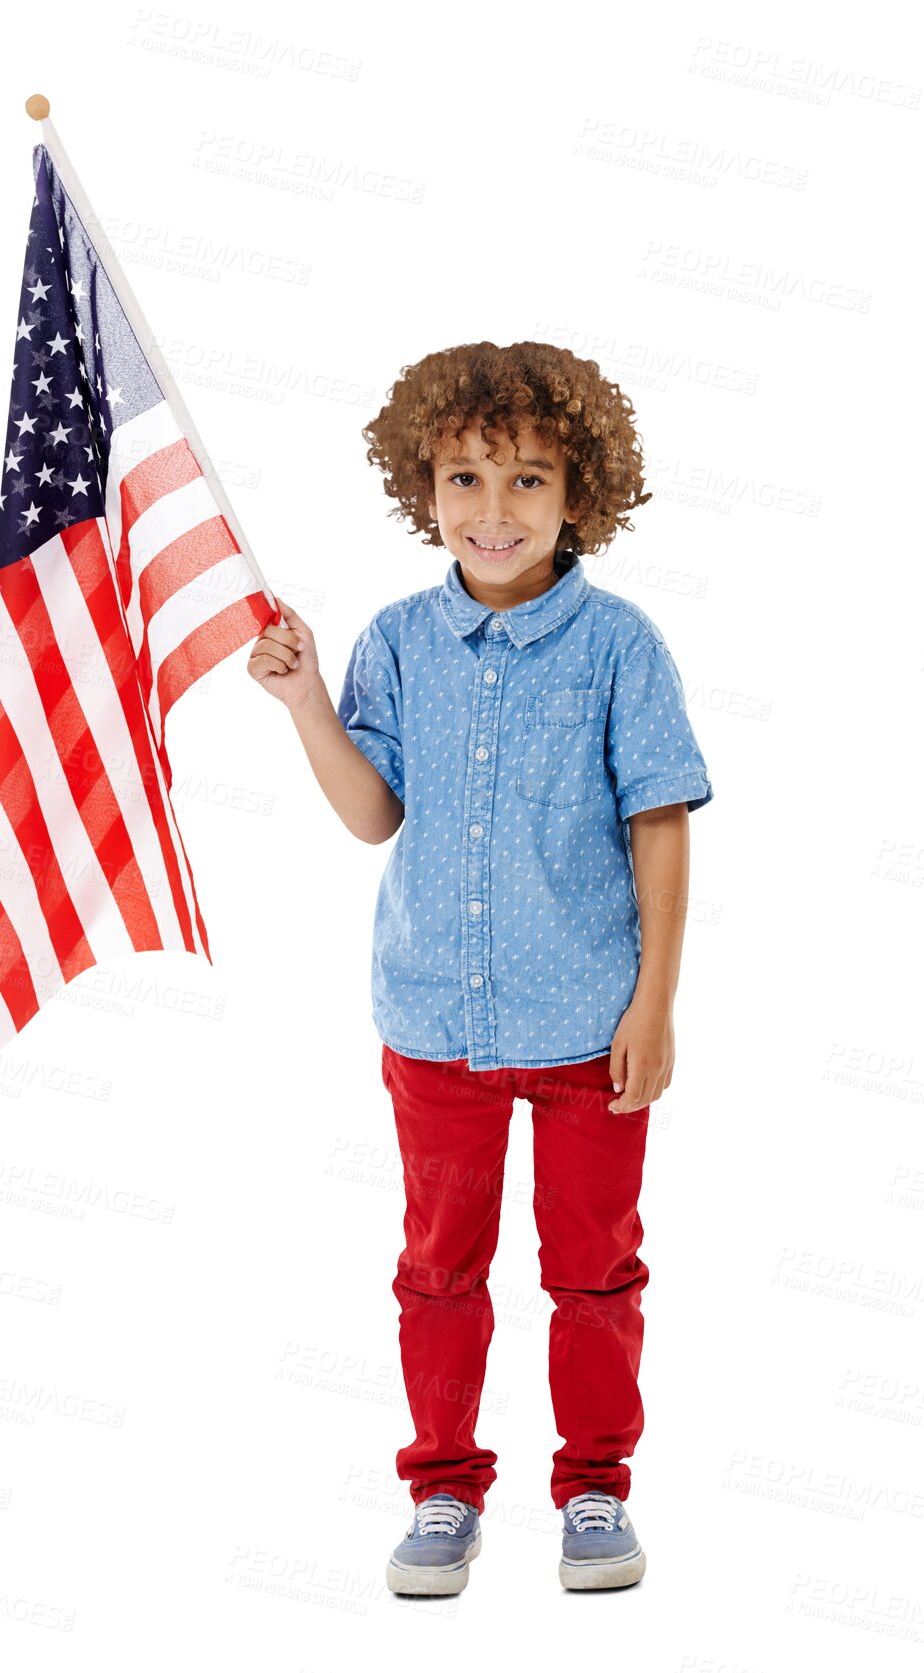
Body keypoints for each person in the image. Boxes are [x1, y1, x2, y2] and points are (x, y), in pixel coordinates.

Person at [247, 340, 714, 1596]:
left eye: (526, 481)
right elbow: (372, 814)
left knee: (593, 1264)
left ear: (579, 497)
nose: (491, 512)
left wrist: (654, 1004)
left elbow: (657, 821)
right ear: (425, 487)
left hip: (586, 1026)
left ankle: (596, 1485)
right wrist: (305, 706)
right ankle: (443, 1483)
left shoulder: (619, 646)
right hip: (434, 1021)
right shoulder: (398, 640)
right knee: (438, 1265)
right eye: (463, 478)